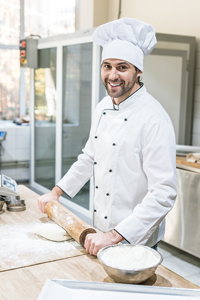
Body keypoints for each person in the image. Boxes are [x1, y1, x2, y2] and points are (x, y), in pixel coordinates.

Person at [38, 18, 177, 256]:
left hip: (135, 236)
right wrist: (56, 192)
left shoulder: (154, 118)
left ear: (138, 70)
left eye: (122, 67)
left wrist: (115, 235)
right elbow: (88, 157)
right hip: (100, 228)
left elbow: (164, 192)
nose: (113, 75)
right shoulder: (103, 106)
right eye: (107, 66)